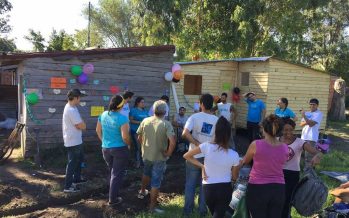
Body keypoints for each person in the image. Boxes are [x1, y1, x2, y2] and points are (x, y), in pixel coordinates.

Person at [183, 116, 240, 218]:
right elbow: (235, 177)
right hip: (225, 189)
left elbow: (186, 156)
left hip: (208, 188)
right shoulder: (234, 154)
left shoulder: (206, 146)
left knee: (215, 213)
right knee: (218, 214)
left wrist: (202, 166)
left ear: (216, 132)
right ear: (228, 134)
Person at [235, 114, 288, 218]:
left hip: (258, 188)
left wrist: (235, 170)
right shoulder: (285, 147)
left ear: (263, 128)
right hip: (279, 188)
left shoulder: (256, 144)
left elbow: (245, 161)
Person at [182, 93, 219, 217]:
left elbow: (185, 133)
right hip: (210, 157)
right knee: (205, 184)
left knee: (190, 184)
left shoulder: (194, 117)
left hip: (193, 156)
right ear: (212, 105)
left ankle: (187, 210)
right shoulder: (217, 120)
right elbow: (220, 139)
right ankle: (202, 211)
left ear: (201, 104)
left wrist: (196, 143)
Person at [136, 100, 176, 213]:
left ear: (153, 110)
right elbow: (172, 142)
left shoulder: (145, 120)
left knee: (146, 172)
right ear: (164, 111)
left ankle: (142, 191)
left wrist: (145, 147)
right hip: (159, 157)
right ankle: (152, 208)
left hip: (146, 155)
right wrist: (168, 153)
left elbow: (139, 138)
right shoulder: (166, 124)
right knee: (156, 182)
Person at [280, 118, 323, 218]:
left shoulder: (300, 142)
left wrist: (317, 156)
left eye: (291, 129)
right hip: (277, 173)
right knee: (277, 199)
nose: (288, 132)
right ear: (281, 130)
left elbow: (317, 152)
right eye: (285, 130)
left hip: (292, 175)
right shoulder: (277, 140)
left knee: (288, 199)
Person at [96, 95, 131, 205]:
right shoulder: (122, 118)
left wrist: (104, 141)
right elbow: (125, 137)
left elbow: (98, 130)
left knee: (112, 172)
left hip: (105, 148)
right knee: (116, 174)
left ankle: (112, 192)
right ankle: (113, 199)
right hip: (119, 149)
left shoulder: (103, 115)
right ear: (121, 105)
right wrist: (129, 144)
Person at [62, 89, 87, 193]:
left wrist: (82, 124)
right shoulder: (71, 110)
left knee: (79, 160)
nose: (80, 99)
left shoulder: (72, 107)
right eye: (79, 97)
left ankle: (77, 179)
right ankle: (67, 186)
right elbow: (81, 125)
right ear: (76, 98)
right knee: (72, 163)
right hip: (73, 141)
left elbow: (80, 124)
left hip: (76, 139)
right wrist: (83, 125)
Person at [300, 98, 323, 169]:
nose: (312, 106)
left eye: (314, 105)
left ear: (317, 105)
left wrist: (304, 117)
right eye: (311, 104)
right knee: (302, 155)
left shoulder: (319, 114)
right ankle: (304, 172)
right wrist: (308, 120)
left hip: (311, 138)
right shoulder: (307, 113)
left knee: (309, 157)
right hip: (303, 137)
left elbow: (311, 124)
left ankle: (310, 174)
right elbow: (301, 124)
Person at [129, 97, 149, 168]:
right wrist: (140, 122)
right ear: (138, 103)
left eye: (144, 102)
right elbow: (131, 120)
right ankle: (137, 163)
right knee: (138, 147)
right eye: (142, 102)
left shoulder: (145, 111)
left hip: (144, 132)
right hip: (135, 131)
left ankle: (144, 162)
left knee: (144, 147)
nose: (143, 103)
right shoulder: (133, 110)